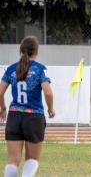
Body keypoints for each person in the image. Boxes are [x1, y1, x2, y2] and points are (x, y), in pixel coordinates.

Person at [0, 36, 55, 177]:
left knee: (12, 160)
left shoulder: (11, 69)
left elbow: (0, 92)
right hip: (34, 117)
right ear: (36, 51)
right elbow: (48, 93)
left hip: (14, 116)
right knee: (32, 159)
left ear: (21, 50)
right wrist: (50, 109)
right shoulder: (40, 69)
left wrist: (3, 108)